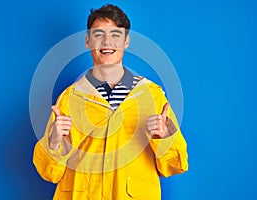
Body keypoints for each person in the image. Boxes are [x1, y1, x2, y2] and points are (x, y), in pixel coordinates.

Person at [33, 4, 188, 200]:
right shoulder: (69, 98)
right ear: (88, 41)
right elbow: (49, 173)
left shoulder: (152, 96)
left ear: (126, 42)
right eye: (98, 35)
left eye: (115, 35)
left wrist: (165, 137)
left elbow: (176, 165)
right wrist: (54, 141)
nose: (107, 42)